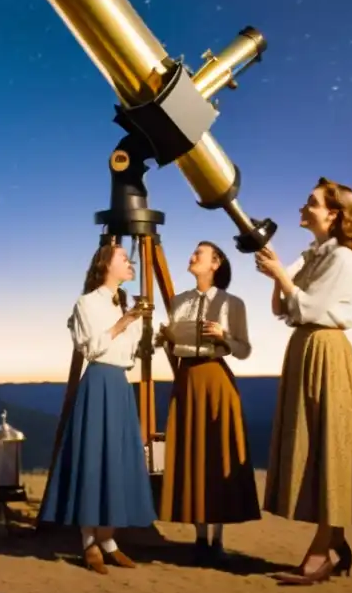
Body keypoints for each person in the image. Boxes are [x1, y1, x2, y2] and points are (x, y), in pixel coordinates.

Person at [254, 177, 352, 585]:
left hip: (327, 353)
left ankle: (324, 549)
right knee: (318, 443)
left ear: (333, 214)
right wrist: (278, 272)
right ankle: (335, 544)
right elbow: (286, 307)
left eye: (311, 202)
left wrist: (281, 274)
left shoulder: (343, 258)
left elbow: (311, 306)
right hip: (306, 349)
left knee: (329, 443)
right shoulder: (313, 254)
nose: (303, 207)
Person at [37, 241, 158, 575]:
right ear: (106, 264)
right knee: (93, 458)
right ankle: (88, 541)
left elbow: (132, 351)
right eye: (123, 258)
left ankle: (109, 541)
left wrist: (141, 324)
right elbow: (92, 347)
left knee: (116, 460)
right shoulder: (87, 303)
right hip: (98, 382)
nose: (129, 262)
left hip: (119, 384)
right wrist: (125, 321)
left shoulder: (124, 304)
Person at [156, 241, 262, 565]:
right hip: (187, 381)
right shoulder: (179, 302)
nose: (191, 256)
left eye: (198, 253)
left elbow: (244, 350)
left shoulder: (233, 303)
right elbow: (174, 346)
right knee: (192, 456)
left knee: (217, 456)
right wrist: (166, 338)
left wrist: (223, 337)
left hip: (217, 381)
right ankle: (199, 538)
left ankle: (217, 539)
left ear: (215, 263)